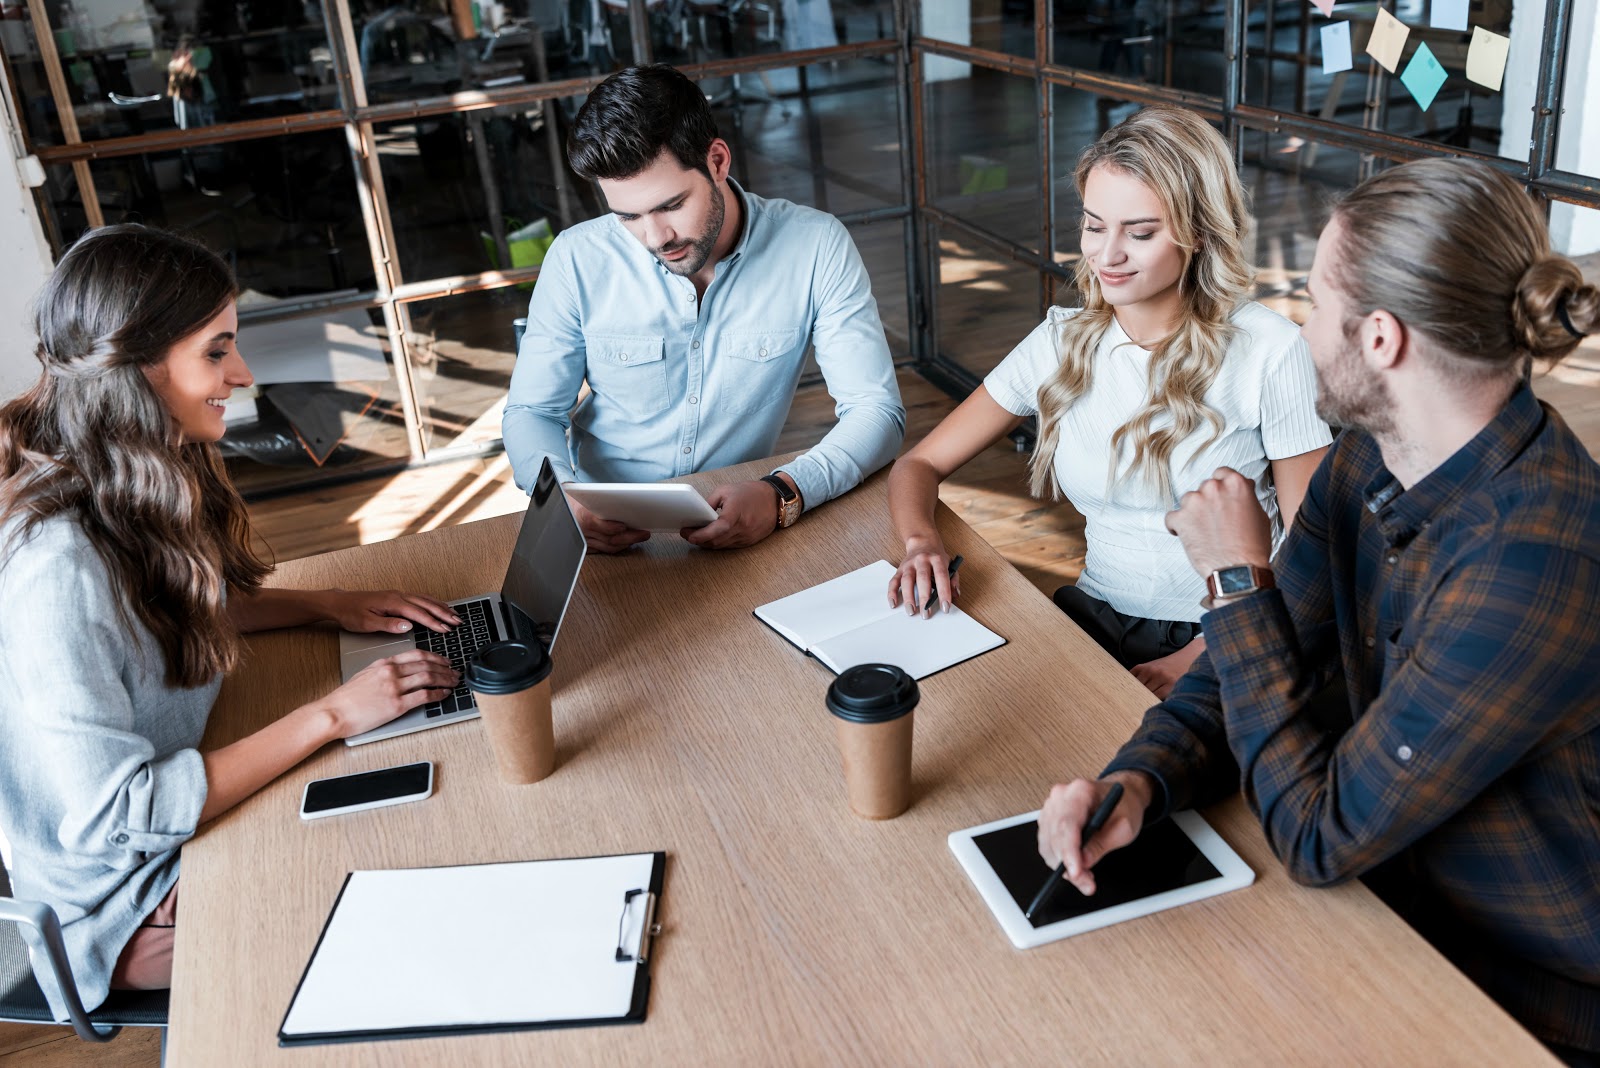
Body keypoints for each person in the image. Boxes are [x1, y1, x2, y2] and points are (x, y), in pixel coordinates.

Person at [1036, 159, 1600, 1064]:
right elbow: (1243, 671)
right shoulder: (1369, 459)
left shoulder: (1533, 564)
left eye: (1315, 304)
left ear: (1380, 338)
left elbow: (1317, 833)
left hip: (1518, 1000)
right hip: (1381, 912)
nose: (1298, 329)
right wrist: (1141, 781)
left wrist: (1231, 578)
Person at [0, 225, 461, 1019]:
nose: (241, 375)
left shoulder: (134, 468)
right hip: (123, 897)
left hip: (184, 803)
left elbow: (159, 614)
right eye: (216, 352)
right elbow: (121, 816)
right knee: (400, 934)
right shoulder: (57, 567)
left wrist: (324, 605)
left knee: (421, 811)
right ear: (140, 368)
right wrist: (331, 715)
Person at [886, 105, 1329, 698]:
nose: (1106, 255)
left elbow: (1310, 549)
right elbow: (919, 465)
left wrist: (1202, 654)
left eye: (1140, 233)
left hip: (1229, 630)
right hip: (1094, 616)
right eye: (1095, 226)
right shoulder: (1060, 340)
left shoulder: (1271, 350)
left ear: (1198, 233)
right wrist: (921, 544)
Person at [502, 63, 905, 553]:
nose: (655, 238)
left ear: (717, 161)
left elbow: (876, 412)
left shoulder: (815, 246)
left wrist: (783, 492)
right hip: (600, 532)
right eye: (628, 216)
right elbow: (533, 411)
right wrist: (563, 500)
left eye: (671, 205)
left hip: (743, 520)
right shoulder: (575, 257)